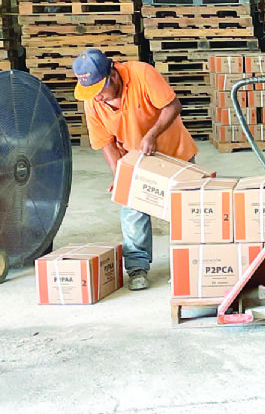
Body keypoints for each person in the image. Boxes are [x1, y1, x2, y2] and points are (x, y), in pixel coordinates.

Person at [73, 48, 197, 290]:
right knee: (132, 209)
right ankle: (137, 267)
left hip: (174, 154)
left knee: (184, 211)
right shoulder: (93, 102)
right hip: (136, 159)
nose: (96, 98)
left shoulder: (142, 74)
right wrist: (121, 175)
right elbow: (105, 143)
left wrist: (152, 135)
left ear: (113, 77)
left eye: (100, 91)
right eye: (91, 93)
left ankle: (189, 264)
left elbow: (173, 106)